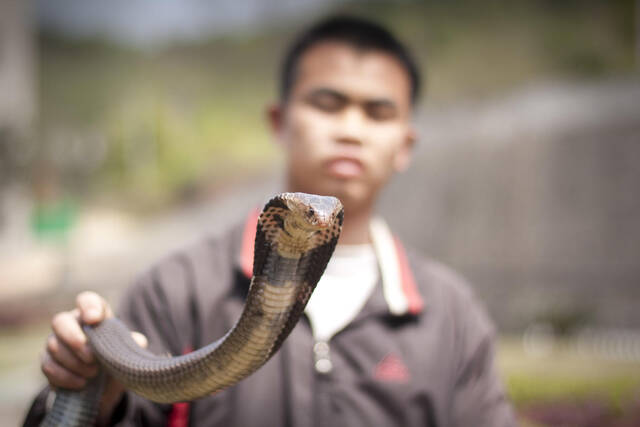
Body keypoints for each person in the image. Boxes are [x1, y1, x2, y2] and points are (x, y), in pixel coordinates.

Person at [24, 15, 516, 427]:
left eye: (377, 112)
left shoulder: (451, 314)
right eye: (328, 103)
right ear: (279, 122)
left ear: (405, 144)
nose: (350, 129)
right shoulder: (176, 288)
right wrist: (100, 397)